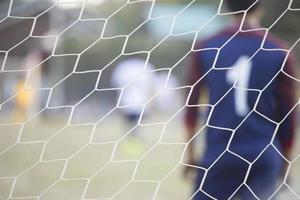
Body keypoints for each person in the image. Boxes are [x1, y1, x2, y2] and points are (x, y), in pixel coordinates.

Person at [184, 0, 297, 199]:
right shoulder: (278, 49)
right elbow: (288, 113)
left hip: (219, 154)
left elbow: (191, 105)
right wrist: (285, 160)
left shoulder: (206, 47)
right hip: (262, 155)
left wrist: (190, 154)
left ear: (225, 6)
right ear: (260, 7)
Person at [111, 58, 157, 155]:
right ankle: (134, 145)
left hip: (128, 103)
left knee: (132, 126)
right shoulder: (146, 66)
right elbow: (152, 88)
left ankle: (134, 145)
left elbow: (116, 87)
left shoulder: (123, 67)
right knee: (134, 126)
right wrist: (152, 103)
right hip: (139, 104)